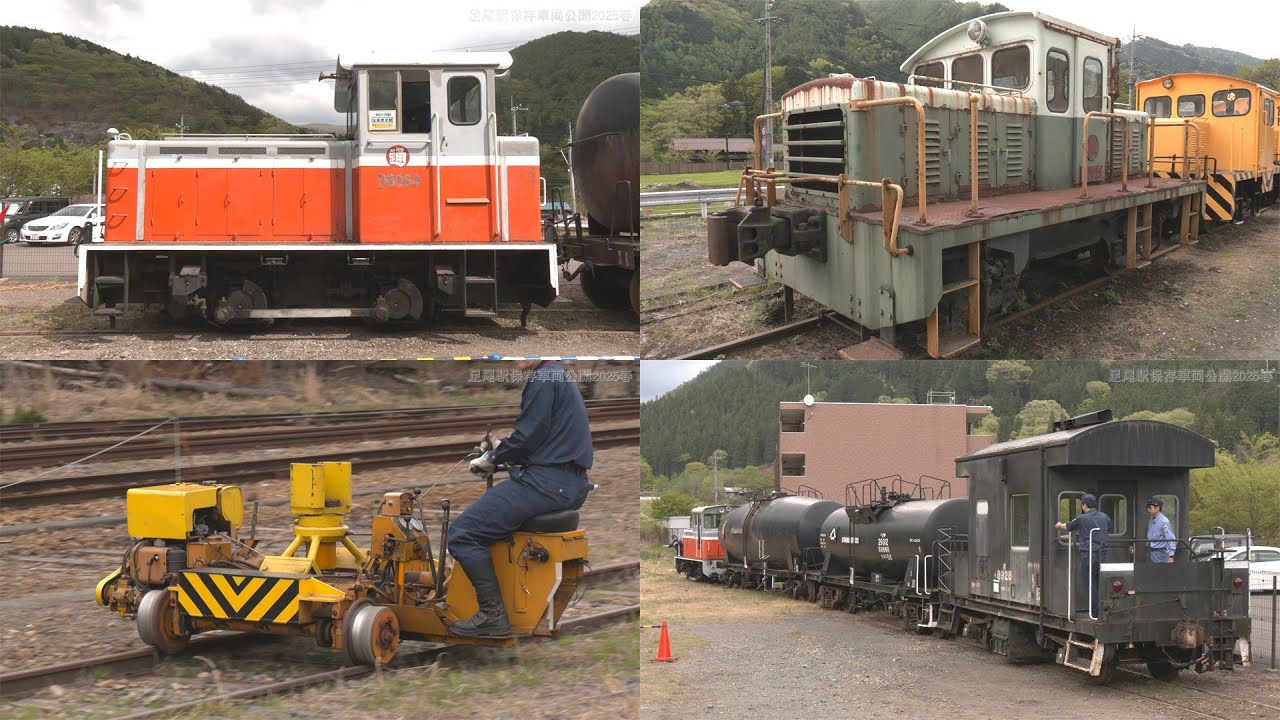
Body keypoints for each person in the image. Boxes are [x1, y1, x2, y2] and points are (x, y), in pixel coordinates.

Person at [446, 360, 593, 637]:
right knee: (490, 525)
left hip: (545, 484)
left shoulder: (543, 378)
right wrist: (503, 453)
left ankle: (492, 616)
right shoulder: (560, 376)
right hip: (570, 483)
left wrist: (492, 457)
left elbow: (527, 436)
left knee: (463, 533)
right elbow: (542, 440)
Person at [1055, 493, 1111, 618]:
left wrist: (1059, 525)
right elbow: (1108, 529)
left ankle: (1095, 614)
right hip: (1103, 554)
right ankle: (1105, 612)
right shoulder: (1105, 517)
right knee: (1102, 583)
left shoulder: (1081, 519)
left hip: (1089, 555)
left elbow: (1068, 526)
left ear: (1084, 505)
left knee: (1091, 585)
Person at [1146, 497, 1176, 563]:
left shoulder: (1164, 521)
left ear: (1157, 508)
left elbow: (1171, 539)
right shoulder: (1151, 520)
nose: (1148, 509)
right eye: (1147, 507)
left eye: (1150, 507)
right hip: (1151, 553)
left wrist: (1171, 556)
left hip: (1161, 555)